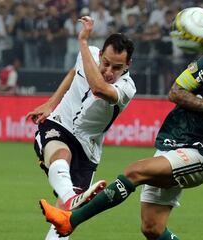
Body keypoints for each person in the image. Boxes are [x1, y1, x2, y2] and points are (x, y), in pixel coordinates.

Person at [39, 38, 203, 239]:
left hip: (201, 157)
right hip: (171, 147)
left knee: (135, 172)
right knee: (152, 229)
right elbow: (175, 93)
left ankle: (70, 220)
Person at [26, 16, 135, 240]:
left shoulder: (126, 88)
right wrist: (51, 102)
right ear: (101, 54)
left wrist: (83, 42)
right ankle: (69, 193)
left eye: (117, 67)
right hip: (59, 124)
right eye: (105, 63)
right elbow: (75, 72)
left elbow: (98, 87)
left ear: (128, 66)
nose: (109, 71)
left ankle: (68, 197)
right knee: (61, 152)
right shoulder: (89, 53)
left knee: (63, 222)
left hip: (88, 149)